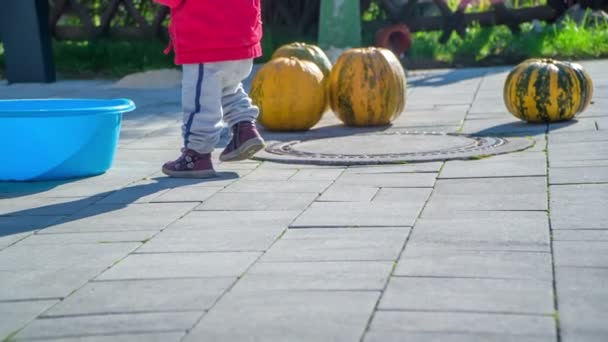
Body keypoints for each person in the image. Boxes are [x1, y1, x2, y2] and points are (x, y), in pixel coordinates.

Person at [154, 0, 265, 178]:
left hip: (205, 40)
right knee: (228, 88)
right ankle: (244, 129)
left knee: (200, 103)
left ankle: (197, 156)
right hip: (243, 37)